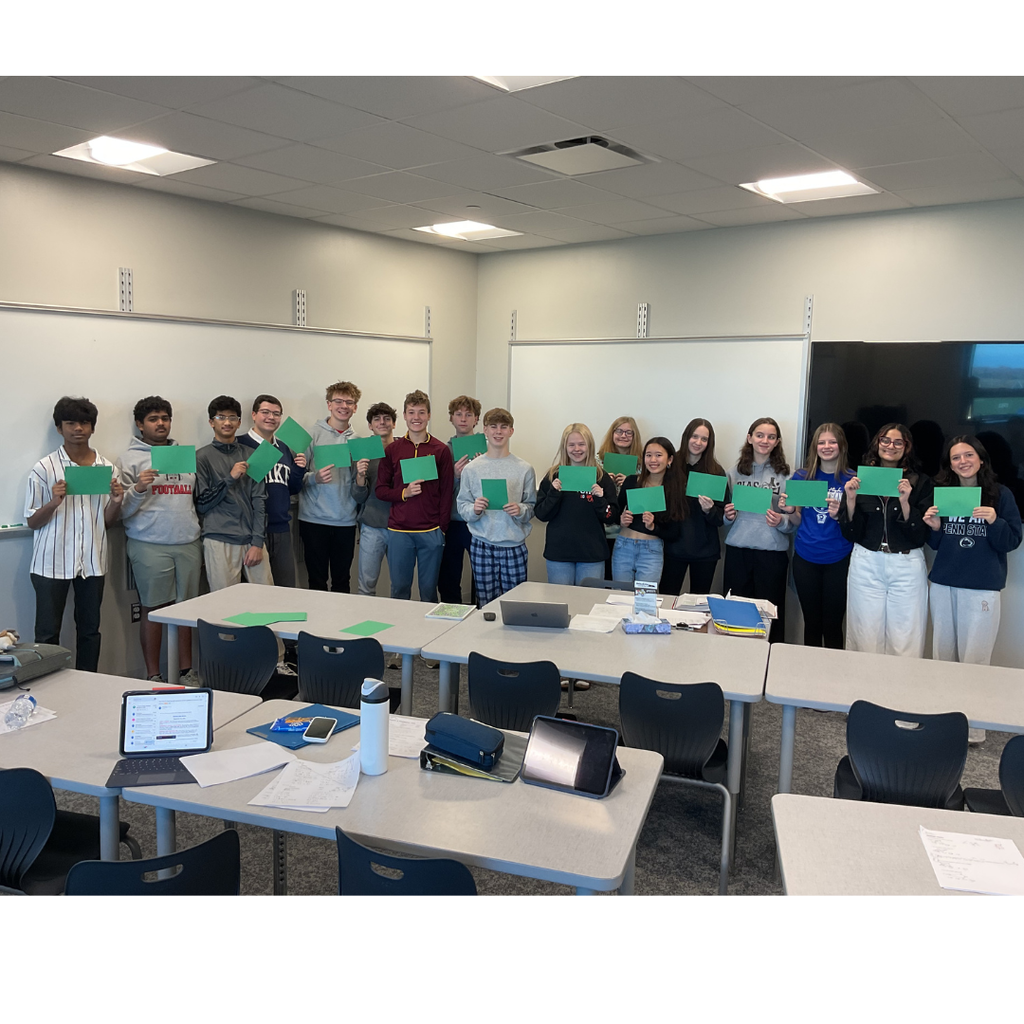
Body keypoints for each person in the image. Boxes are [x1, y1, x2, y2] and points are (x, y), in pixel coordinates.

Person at [924, 435, 1022, 740]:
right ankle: (942, 719)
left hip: (981, 587)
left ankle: (973, 728)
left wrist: (995, 521)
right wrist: (935, 527)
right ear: (949, 465)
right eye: (956, 458)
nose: (963, 462)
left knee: (975, 658)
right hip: (943, 583)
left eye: (968, 455)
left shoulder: (1000, 495)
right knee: (943, 655)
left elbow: (1012, 540)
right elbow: (937, 544)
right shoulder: (945, 495)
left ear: (981, 460)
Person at [25, 395, 124, 672]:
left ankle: (88, 684)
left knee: (90, 631)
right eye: (70, 423)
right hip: (50, 563)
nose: (78, 428)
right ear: (59, 428)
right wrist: (54, 502)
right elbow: (33, 521)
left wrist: (116, 502)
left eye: (84, 423)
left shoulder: (107, 469)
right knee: (46, 635)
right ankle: (46, 690)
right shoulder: (44, 468)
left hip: (92, 562)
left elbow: (107, 522)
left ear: (92, 427)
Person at [117, 396, 201, 684]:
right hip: (149, 543)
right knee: (153, 609)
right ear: (141, 425)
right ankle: (154, 674)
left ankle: (186, 672)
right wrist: (139, 487)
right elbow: (121, 510)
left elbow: (195, 496)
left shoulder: (185, 455)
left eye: (165, 418)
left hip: (187, 541)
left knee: (187, 609)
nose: (161, 423)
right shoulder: (129, 459)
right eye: (153, 419)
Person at [839, 422, 932, 657]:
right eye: (885, 440)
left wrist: (905, 502)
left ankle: (900, 691)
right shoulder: (861, 480)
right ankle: (863, 690)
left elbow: (922, 534)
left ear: (907, 447)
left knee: (905, 636)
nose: (891, 446)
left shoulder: (921, 483)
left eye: (898, 442)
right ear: (877, 444)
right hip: (866, 560)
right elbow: (851, 533)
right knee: (864, 633)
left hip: (906, 564)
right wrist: (850, 500)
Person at [780, 422, 855, 649]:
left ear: (841, 445)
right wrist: (791, 511)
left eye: (832, 441)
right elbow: (797, 521)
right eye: (821, 442)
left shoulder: (852, 480)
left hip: (839, 558)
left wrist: (839, 515)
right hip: (806, 558)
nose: (827, 446)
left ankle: (835, 678)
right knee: (811, 623)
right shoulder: (802, 477)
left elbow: (857, 525)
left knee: (833, 625)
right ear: (815, 447)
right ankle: (809, 677)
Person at [375, 390, 454, 602]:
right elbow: (380, 490)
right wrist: (404, 493)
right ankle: (400, 634)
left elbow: (447, 492)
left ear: (428, 415)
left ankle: (431, 635)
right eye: (411, 412)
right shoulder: (393, 450)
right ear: (404, 415)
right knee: (399, 589)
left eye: (421, 412)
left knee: (428, 591)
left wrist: (442, 528)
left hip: (431, 531)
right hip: (399, 530)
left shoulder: (441, 450)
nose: (416, 417)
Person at [723, 417, 794, 643]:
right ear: (750, 438)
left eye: (771, 437)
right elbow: (724, 517)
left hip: (771, 554)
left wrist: (781, 520)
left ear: (777, 442)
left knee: (770, 617)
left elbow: (792, 520)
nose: (765, 440)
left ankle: (769, 664)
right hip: (738, 552)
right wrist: (727, 516)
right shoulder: (733, 473)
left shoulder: (787, 476)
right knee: (735, 616)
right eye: (760, 435)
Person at [457, 408, 537, 606]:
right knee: (486, 604)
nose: (498, 432)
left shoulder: (524, 468)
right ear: (485, 430)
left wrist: (520, 510)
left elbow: (531, 506)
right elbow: (462, 505)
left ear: (511, 431)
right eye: (493, 427)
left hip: (513, 545)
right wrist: (474, 509)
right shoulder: (472, 468)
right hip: (482, 544)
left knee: (515, 605)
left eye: (504, 427)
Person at [194, 395, 272, 590]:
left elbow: (259, 500)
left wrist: (257, 542)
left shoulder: (252, 454)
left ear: (239, 422)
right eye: (221, 417)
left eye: (232, 418)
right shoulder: (201, 457)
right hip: (218, 538)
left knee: (267, 599)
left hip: (251, 539)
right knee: (224, 605)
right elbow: (202, 503)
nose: (227, 422)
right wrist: (230, 478)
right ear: (211, 422)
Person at [297, 381, 368, 592]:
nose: (343, 406)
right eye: (338, 401)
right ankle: (316, 626)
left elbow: (360, 491)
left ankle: (339, 625)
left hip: (345, 522)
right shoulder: (310, 435)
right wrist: (313, 478)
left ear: (355, 407)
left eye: (349, 402)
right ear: (329, 404)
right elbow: (294, 479)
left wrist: (361, 475)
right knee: (316, 582)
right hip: (313, 520)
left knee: (341, 582)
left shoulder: (358, 441)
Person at [238, 394, 307, 589]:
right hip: (252, 530)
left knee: (286, 587)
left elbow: (291, 489)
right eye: (265, 412)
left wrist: (299, 470)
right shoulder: (240, 444)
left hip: (282, 527)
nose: (271, 417)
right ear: (254, 414)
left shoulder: (283, 447)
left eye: (276, 414)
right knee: (256, 591)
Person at [535, 423, 617, 585]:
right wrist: (553, 494)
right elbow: (541, 514)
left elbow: (611, 516)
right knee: (560, 602)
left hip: (592, 555)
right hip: (559, 554)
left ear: (590, 446)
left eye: (581, 444)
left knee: (588, 603)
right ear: (564, 447)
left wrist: (600, 499)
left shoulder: (601, 477)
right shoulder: (553, 476)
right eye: (571, 445)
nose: (576, 449)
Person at [661, 418, 728, 596]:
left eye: (704, 439)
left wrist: (709, 510)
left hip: (705, 550)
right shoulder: (670, 465)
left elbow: (722, 518)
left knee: (699, 605)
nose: (698, 442)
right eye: (694, 436)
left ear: (709, 443)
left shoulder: (716, 471)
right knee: (666, 598)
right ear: (686, 437)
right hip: (673, 546)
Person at [612, 436, 683, 586]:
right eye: (648, 455)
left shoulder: (673, 490)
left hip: (651, 551)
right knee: (620, 598)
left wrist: (653, 527)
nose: (653, 460)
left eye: (658, 455)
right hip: (623, 547)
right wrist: (620, 519)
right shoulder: (632, 481)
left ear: (669, 459)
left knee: (646, 600)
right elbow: (614, 512)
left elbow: (674, 532)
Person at [438, 395, 482, 604]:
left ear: (476, 419)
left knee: (481, 574)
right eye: (458, 414)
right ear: (451, 419)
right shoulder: (443, 451)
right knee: (448, 574)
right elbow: (438, 491)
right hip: (453, 521)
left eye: (468, 414)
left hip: (479, 520)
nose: (463, 419)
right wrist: (455, 477)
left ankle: (480, 613)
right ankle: (451, 612)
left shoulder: (487, 449)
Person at [354, 401, 396, 597]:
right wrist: (360, 477)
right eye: (377, 419)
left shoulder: (404, 450)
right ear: (370, 425)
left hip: (400, 526)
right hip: (371, 526)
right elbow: (358, 497)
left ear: (394, 424)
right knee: (366, 584)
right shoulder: (363, 451)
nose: (382, 422)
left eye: (387, 419)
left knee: (400, 583)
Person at [597, 416, 643, 578]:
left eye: (628, 433)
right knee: (604, 578)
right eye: (619, 431)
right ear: (612, 433)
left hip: (627, 532)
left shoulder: (642, 465)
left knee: (622, 582)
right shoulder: (597, 461)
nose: (623, 436)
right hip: (602, 530)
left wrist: (629, 484)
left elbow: (644, 500)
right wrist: (605, 482)